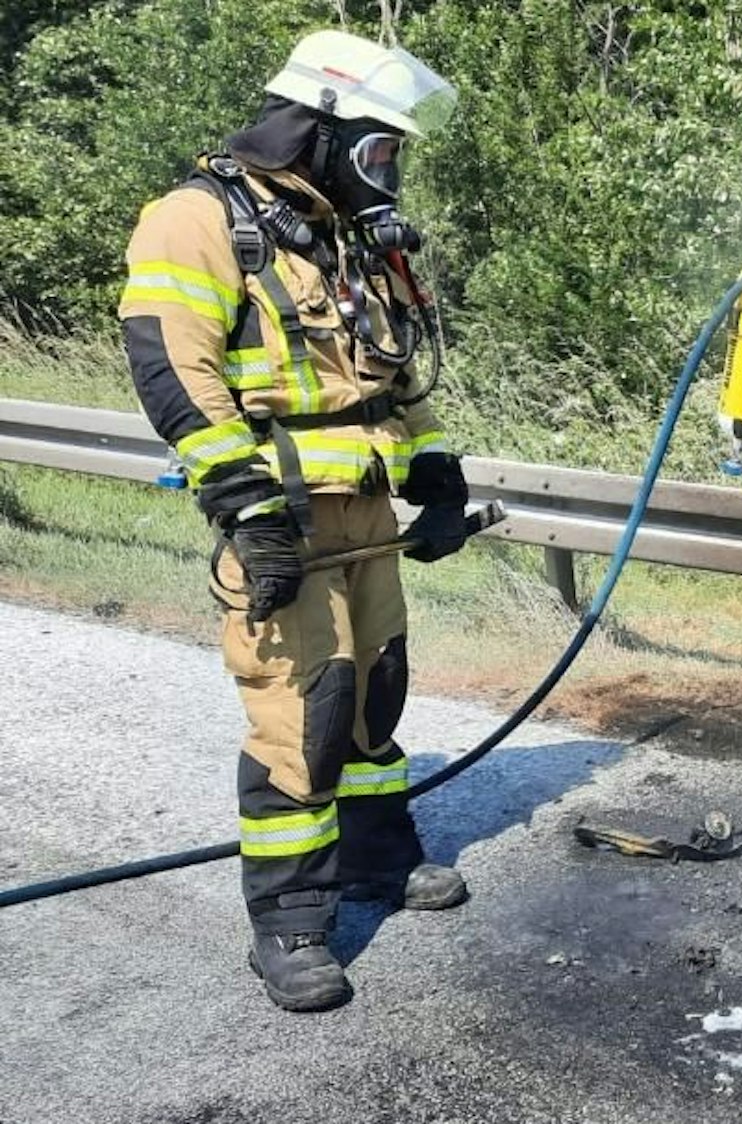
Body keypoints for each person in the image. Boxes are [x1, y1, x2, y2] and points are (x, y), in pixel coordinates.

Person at [118, 29, 470, 1012]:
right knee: (302, 715)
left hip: (364, 511)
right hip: (281, 515)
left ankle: (378, 858)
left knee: (376, 691)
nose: (388, 168)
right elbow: (173, 372)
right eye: (379, 146)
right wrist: (244, 507)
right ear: (318, 129)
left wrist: (433, 468)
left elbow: (387, 376)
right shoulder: (197, 221)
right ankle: (290, 923)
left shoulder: (344, 236)